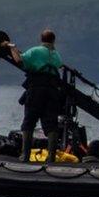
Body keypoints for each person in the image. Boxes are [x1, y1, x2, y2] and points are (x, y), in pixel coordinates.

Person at [6, 29, 62, 163]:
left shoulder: (35, 51)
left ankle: (25, 156)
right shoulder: (56, 55)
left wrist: (12, 48)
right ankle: (51, 158)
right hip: (52, 91)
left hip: (36, 90)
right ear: (53, 40)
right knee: (51, 124)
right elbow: (57, 66)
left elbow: (19, 60)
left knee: (29, 121)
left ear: (41, 39)